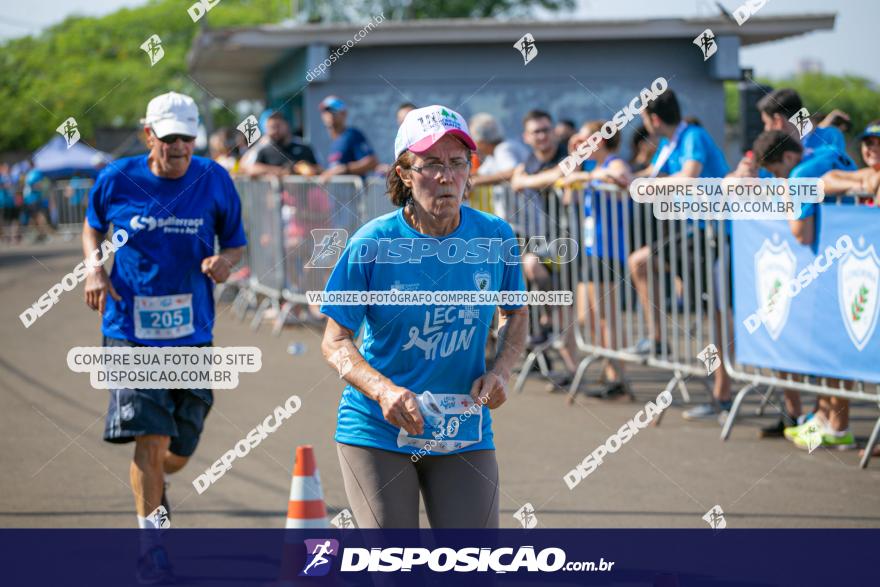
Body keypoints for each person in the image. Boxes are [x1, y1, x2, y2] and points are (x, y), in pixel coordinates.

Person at [320, 104, 528, 528]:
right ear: (404, 172)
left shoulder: (495, 236)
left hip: (463, 427)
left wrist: (502, 371)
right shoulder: (372, 243)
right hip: (378, 429)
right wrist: (382, 391)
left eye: (457, 163)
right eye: (430, 164)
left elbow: (516, 313)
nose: (446, 176)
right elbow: (335, 341)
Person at [83, 91, 247, 582]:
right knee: (150, 441)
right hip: (130, 330)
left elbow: (236, 243)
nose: (179, 147)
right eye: (169, 137)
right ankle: (151, 546)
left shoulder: (214, 179)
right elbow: (93, 227)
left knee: (176, 452)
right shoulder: (117, 178)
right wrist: (94, 269)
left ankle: (157, 486)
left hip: (192, 333)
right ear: (148, 133)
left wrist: (225, 263)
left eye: (187, 138)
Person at [628, 89, 732, 420]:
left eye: (644, 117)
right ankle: (658, 339)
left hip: (715, 235)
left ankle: (723, 394)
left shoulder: (693, 136)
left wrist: (643, 185)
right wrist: (628, 179)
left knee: (714, 316)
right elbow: (653, 175)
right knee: (640, 261)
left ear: (654, 119)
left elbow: (688, 177)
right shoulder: (671, 142)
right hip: (692, 236)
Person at [751, 130, 857, 450]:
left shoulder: (799, 174)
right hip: (846, 259)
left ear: (787, 157)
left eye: (774, 172)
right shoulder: (824, 152)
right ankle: (824, 420)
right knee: (829, 349)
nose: (775, 178)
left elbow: (801, 233)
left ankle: (838, 428)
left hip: (840, 264)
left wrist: (784, 195)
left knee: (835, 351)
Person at [560, 121, 633, 398]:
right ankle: (610, 366)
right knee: (587, 316)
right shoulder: (591, 170)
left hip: (609, 250)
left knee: (608, 318)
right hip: (592, 250)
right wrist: (578, 165)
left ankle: (617, 377)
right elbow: (569, 199)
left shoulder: (614, 163)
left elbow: (623, 176)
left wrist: (592, 177)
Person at [317, 95, 378, 181]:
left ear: (343, 114)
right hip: (337, 193)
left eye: (333, 111)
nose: (329, 115)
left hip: (354, 193)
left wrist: (344, 169)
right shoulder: (334, 141)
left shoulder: (352, 135)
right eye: (325, 111)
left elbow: (372, 162)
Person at [246, 111, 321, 177]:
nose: (274, 131)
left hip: (301, 192)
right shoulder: (265, 150)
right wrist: (280, 171)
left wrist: (308, 169)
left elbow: (320, 169)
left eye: (277, 126)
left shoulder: (304, 148)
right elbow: (252, 169)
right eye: (271, 128)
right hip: (275, 192)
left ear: (286, 125)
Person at [820, 120, 880, 200]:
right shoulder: (867, 174)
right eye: (869, 143)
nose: (874, 148)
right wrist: (860, 187)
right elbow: (825, 180)